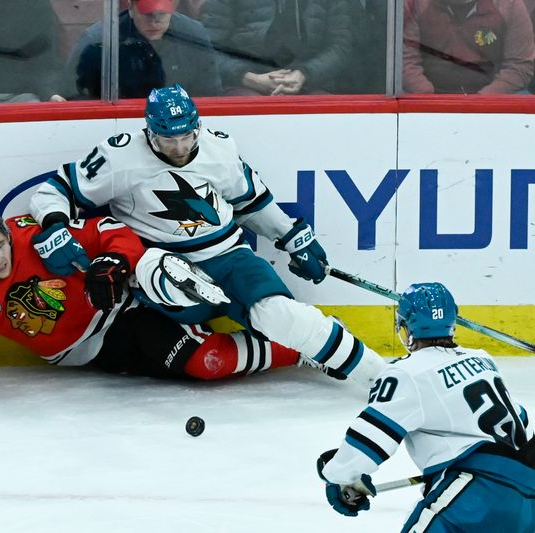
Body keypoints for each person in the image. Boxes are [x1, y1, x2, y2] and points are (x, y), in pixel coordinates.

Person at [28, 83, 387, 388]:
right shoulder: (119, 156)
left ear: (197, 126)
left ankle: (380, 378)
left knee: (279, 316)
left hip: (229, 255)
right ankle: (197, 293)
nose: (180, 148)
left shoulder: (219, 148)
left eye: (187, 136)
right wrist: (55, 226)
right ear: (150, 131)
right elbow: (54, 191)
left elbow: (251, 201)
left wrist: (292, 237)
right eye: (169, 140)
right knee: (155, 266)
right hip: (162, 263)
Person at [0, 202, 302, 402]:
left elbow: (110, 231)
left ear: (6, 233)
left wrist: (113, 262)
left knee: (207, 361)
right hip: (100, 355)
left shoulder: (33, 234)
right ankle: (294, 342)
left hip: (126, 311)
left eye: (0, 245)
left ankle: (303, 346)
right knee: (198, 362)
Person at [317, 282, 534, 531]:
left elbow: (367, 442)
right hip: (529, 494)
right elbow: (519, 417)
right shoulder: (482, 359)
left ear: (406, 326)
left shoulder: (406, 372)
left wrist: (337, 475)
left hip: (474, 496)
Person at [67, 0, 222, 99]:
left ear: (172, 8)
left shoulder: (194, 34)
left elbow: (209, 92)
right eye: (148, 15)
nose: (155, 23)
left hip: (178, 127)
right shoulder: (98, 40)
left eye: (161, 14)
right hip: (118, 121)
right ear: (131, 8)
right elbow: (73, 92)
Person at [200, 0, 354, 95]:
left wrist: (304, 74)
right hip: (243, 83)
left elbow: (341, 46)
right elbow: (206, 49)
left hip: (311, 83)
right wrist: (250, 79)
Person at [403, 0, 535, 94]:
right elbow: (404, 60)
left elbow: (520, 65)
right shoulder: (416, 4)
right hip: (429, 95)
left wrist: (482, 100)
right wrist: (426, 96)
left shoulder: (509, 5)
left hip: (494, 94)